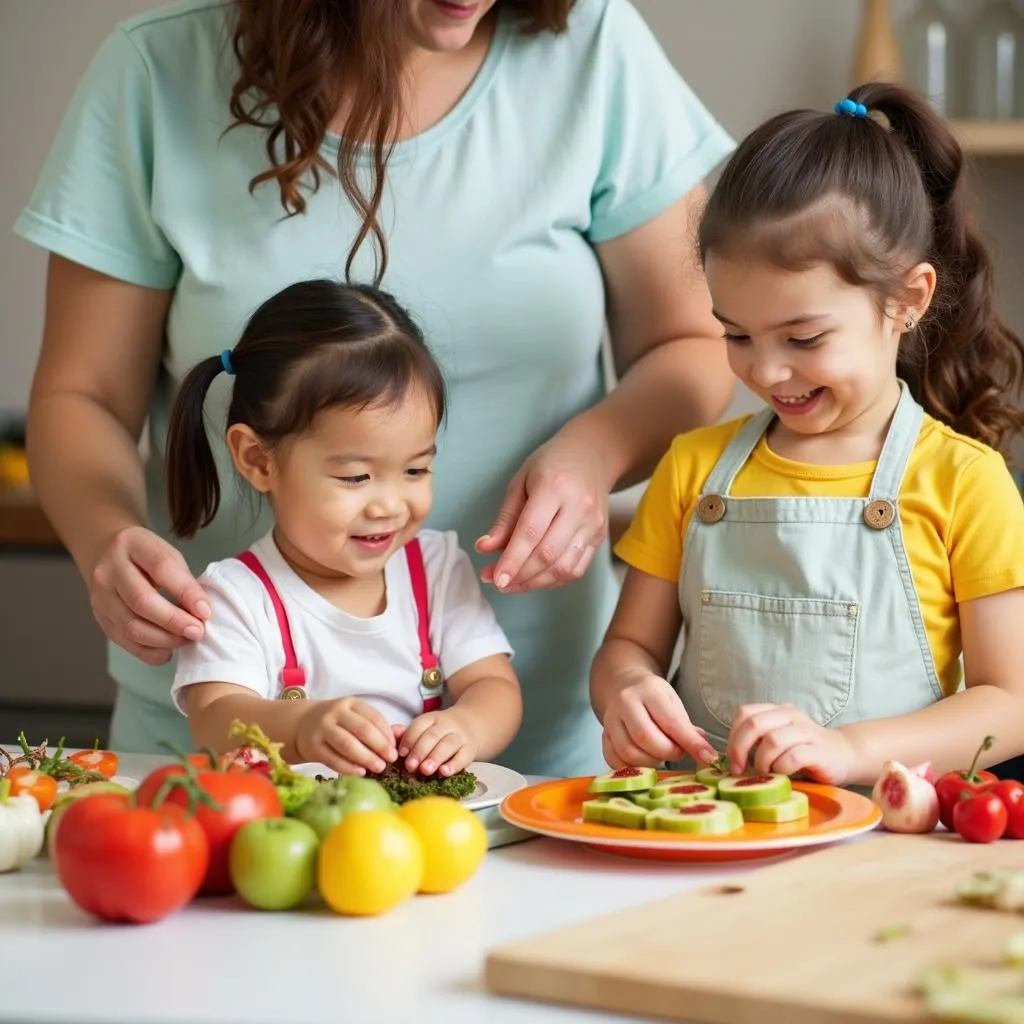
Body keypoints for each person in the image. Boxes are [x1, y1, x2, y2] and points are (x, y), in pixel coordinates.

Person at [14, 0, 735, 776]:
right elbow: (80, 395)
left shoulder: (596, 50)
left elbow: (693, 345)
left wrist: (595, 454)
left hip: (530, 741)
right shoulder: (156, 72)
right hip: (224, 759)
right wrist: (104, 541)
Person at [591, 82, 1024, 788]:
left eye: (804, 337)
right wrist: (624, 691)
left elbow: (1012, 704)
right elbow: (628, 646)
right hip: (707, 839)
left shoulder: (964, 482)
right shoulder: (692, 468)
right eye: (735, 333)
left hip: (880, 851)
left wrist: (850, 750)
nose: (765, 369)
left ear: (907, 300)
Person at [165, 279, 521, 776]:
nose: (389, 505)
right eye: (356, 477)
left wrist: (467, 726)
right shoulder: (236, 596)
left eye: (415, 470)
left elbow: (495, 687)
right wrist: (302, 726)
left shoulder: (435, 568)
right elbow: (215, 718)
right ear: (258, 459)